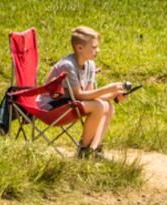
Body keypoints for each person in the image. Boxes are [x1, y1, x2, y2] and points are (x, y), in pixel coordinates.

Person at [37, 26, 127, 159]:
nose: (98, 50)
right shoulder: (68, 65)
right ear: (80, 48)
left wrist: (113, 95)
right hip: (51, 106)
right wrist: (108, 88)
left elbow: (90, 94)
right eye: (94, 47)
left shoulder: (90, 64)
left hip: (69, 102)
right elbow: (80, 95)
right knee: (99, 107)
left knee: (109, 106)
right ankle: (83, 152)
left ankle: (94, 149)